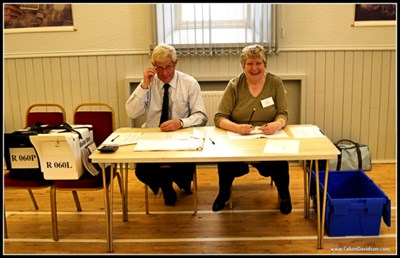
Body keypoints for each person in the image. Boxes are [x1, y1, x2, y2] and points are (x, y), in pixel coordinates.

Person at [212, 44, 292, 214]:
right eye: (249, 64)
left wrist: (276, 125)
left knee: (281, 163)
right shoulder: (234, 85)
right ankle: (223, 194)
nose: (254, 68)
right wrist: (237, 128)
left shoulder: (275, 82)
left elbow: (283, 114)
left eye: (258, 63)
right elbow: (219, 117)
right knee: (224, 163)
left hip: (268, 137)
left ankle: (284, 195)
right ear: (243, 66)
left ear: (265, 65)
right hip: (240, 137)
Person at [125, 43, 208, 206]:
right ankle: (166, 185)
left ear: (175, 63)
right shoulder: (149, 83)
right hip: (153, 136)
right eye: (159, 68)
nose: (164, 73)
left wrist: (181, 122)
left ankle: (176, 183)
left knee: (181, 168)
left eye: (168, 67)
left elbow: (201, 116)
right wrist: (143, 86)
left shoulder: (189, 83)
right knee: (142, 170)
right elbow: (132, 112)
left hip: (181, 137)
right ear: (153, 67)